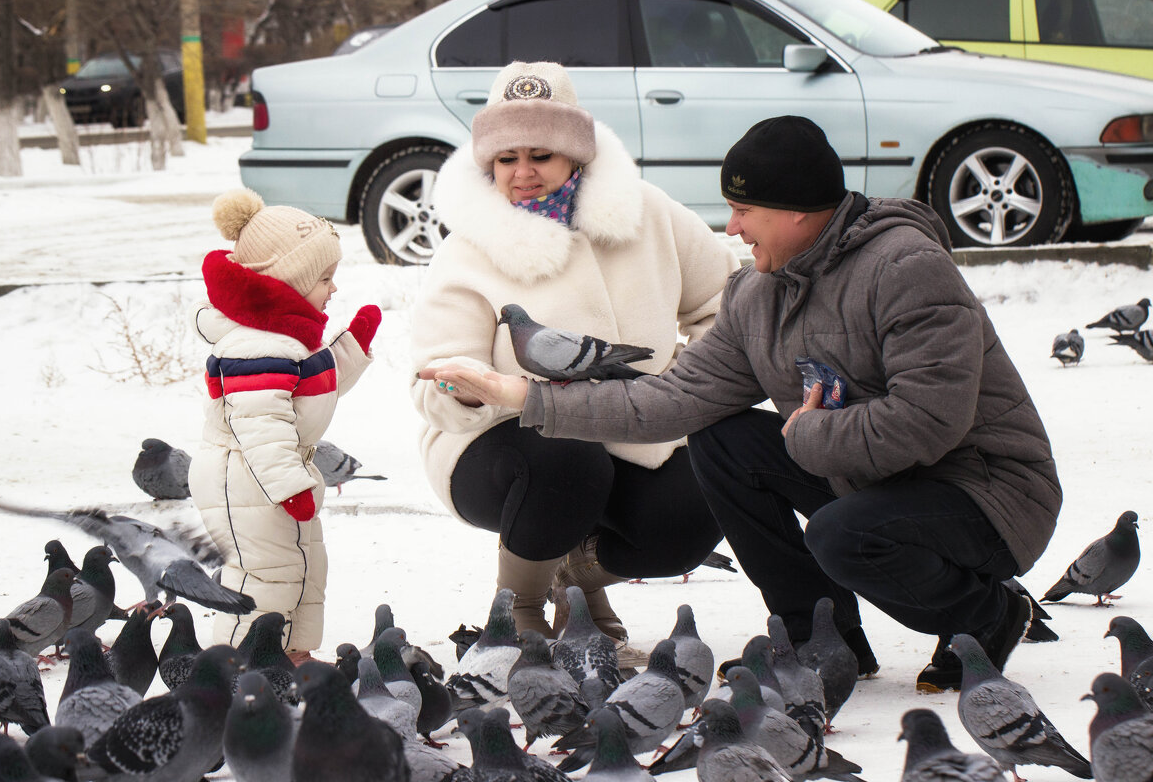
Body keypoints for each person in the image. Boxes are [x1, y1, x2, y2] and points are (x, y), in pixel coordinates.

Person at [421, 115, 1062, 690]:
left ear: (794, 212)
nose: (730, 228)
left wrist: (809, 435)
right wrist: (523, 397)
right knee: (722, 439)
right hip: (872, 476)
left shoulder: (906, 269)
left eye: (741, 210)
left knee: (842, 536)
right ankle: (818, 637)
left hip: (984, 494)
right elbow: (671, 399)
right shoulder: (758, 294)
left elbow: (929, 421)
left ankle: (990, 613)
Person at [410, 61, 739, 659]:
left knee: (699, 501)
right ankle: (521, 611)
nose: (523, 172)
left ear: (577, 157)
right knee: (566, 458)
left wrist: (685, 386)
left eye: (542, 153)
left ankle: (580, 577)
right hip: (502, 445)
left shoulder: (650, 214)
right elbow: (434, 370)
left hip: (637, 431)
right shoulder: (468, 247)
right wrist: (463, 388)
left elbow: (726, 306)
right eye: (507, 157)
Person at [190, 188, 380, 665]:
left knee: (302, 566)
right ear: (289, 281)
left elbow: (307, 393)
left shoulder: (287, 337)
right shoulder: (257, 345)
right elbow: (262, 426)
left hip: (275, 476)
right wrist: (289, 485)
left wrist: (350, 349)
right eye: (324, 278)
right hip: (249, 476)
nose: (333, 289)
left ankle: (289, 654)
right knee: (263, 574)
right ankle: (237, 664)